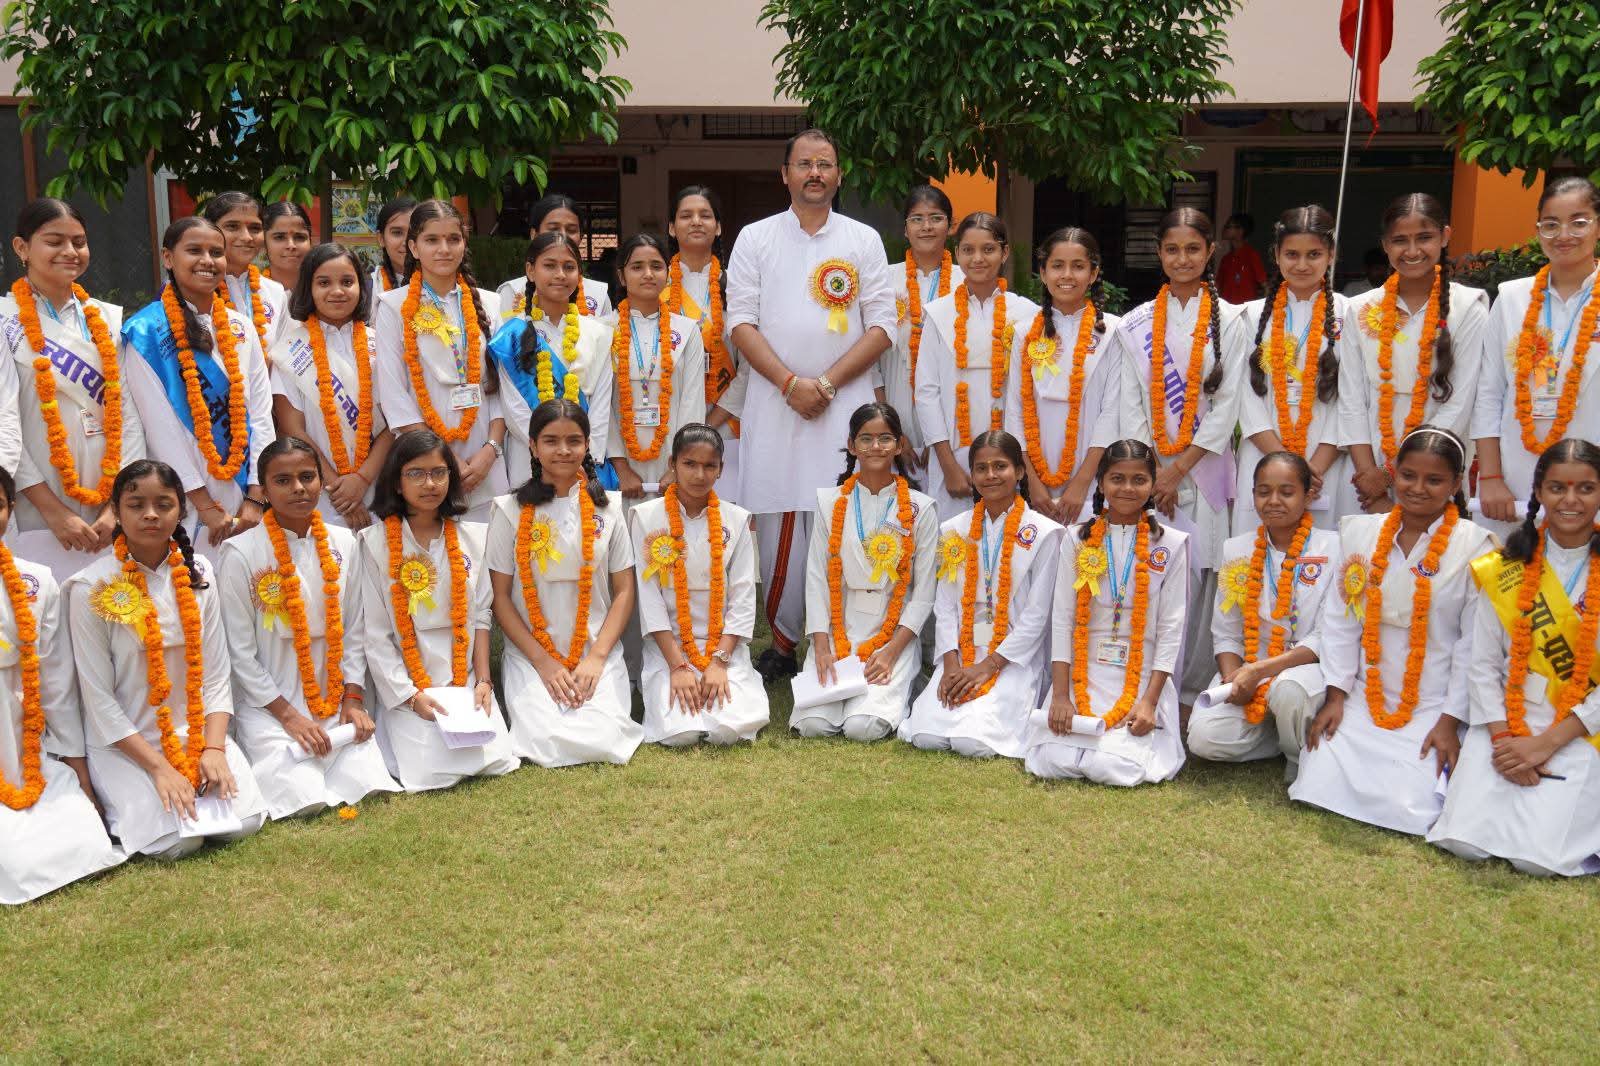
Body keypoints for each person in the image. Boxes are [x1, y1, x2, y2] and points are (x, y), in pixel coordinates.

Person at [725, 128, 897, 679]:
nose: (815, 173)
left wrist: (823, 385)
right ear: (785, 174)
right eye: (804, 164)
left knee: (843, 518)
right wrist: (787, 384)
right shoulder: (755, 237)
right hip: (775, 405)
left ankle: (844, 640)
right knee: (779, 524)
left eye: (825, 163)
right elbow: (740, 322)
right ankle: (781, 644)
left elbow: (882, 325)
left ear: (839, 175)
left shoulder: (863, 239)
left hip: (843, 406)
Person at [1290, 426, 1495, 835]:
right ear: (1394, 474)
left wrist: (1449, 722)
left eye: (1434, 480)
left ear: (1455, 484)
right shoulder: (1361, 533)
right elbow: (1341, 621)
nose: (1417, 488)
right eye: (1408, 476)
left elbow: (1474, 646)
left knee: (1411, 806)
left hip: (1432, 703)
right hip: (1363, 695)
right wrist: (1336, 695)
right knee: (1317, 783)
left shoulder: (1477, 548)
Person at [67, 460, 268, 859]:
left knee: (244, 823)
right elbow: (98, 699)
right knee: (177, 843)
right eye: (136, 505)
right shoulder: (91, 586)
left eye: (163, 504)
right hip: (127, 744)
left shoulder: (199, 571)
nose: (150, 515)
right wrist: (159, 769)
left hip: (196, 734)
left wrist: (214, 749)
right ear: (116, 511)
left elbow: (216, 673)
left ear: (181, 510)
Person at [1429, 439, 1600, 876]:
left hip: (1580, 728)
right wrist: (1505, 741)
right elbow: (1482, 664)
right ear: (1539, 492)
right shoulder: (1506, 565)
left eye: (1585, 488)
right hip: (1505, 720)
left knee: (1537, 861)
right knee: (1464, 842)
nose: (1571, 500)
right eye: (1558, 488)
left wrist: (1545, 744)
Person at [216, 438, 397, 819]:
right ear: (264, 491)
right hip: (271, 707)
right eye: (283, 481)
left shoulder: (344, 542)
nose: (298, 488)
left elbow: (355, 630)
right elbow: (239, 653)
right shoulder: (240, 553)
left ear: (320, 481)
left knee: (368, 785)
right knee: (303, 800)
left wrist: (353, 700)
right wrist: (289, 717)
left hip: (336, 701)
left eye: (307, 477)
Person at [1115, 206, 1245, 705]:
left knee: (1206, 576)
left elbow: (1227, 405)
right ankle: (1144, 682)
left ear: (1210, 251)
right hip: (1150, 474)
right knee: (1156, 573)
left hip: (1205, 469)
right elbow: (1132, 403)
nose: (1183, 258)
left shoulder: (1231, 320)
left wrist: (1179, 470)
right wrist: (1153, 474)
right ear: (1159, 254)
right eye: (1172, 249)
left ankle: (1189, 691)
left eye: (1193, 249)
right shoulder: (1136, 323)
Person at [355, 430, 519, 791]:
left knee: (493, 759)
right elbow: (376, 634)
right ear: (396, 482)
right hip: (407, 686)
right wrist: (411, 696)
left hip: (465, 679)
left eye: (439, 473)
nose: (429, 484)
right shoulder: (374, 544)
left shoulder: (474, 537)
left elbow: (481, 617)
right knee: (430, 772)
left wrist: (483, 681)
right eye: (416, 473)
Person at [1022, 439, 1189, 785]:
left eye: (1139, 480)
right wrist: (1061, 696)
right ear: (1100, 484)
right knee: (1052, 761)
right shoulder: (1076, 539)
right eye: (1117, 478)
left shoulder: (1170, 544)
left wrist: (1149, 702)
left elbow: (1171, 629)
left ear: (1152, 485)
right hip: (1085, 668)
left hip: (1141, 672)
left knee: (1113, 767)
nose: (1127, 488)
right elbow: (1063, 619)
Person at [488, 399, 640, 766]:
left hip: (595, 650)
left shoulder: (610, 509)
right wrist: (542, 662)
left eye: (574, 441)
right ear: (532, 446)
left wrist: (597, 658)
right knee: (542, 739)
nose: (563, 450)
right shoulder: (508, 511)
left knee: (605, 738)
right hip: (532, 654)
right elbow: (500, 598)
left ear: (587, 446)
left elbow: (624, 592)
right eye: (551, 441)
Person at [0, 465, 124, 904]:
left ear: (11, 510)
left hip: (25, 745)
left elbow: (56, 683)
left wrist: (79, 775)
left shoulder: (35, 580)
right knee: (16, 865)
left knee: (86, 843)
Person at [898, 430, 1064, 758]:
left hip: (1011, 657)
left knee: (973, 743)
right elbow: (945, 605)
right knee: (927, 735)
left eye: (1000, 466)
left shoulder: (1044, 533)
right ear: (972, 475)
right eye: (981, 468)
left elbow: (1038, 615)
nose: (991, 475)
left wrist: (989, 665)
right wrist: (950, 663)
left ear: (1020, 471)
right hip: (962, 651)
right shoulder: (954, 529)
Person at [3, 197, 145, 580]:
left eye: (79, 242)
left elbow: (129, 414)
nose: (70, 251)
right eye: (55, 241)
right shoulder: (4, 321)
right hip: (34, 501)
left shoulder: (106, 319)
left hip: (108, 499)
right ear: (22, 248)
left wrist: (118, 504)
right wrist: (52, 511)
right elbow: (4, 427)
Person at [122, 217, 276, 555]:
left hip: (248, 502)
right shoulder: (146, 332)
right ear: (168, 257)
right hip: (184, 501)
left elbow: (261, 416)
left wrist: (255, 495)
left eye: (216, 252)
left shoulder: (241, 327)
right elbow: (159, 428)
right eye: (194, 250)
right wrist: (204, 503)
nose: (207, 260)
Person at [1188, 452, 1340, 781]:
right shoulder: (1236, 549)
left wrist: (1259, 671)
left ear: (1308, 496)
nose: (1273, 501)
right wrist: (1233, 680)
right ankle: (1282, 733)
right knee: (1202, 738)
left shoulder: (1333, 548)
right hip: (1250, 671)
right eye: (1263, 491)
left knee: (1288, 692)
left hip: (1304, 671)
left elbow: (1324, 637)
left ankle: (1295, 754)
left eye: (1287, 492)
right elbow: (1226, 632)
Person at [796, 403, 938, 740]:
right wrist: (822, 645)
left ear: (899, 445)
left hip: (892, 632)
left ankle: (907, 678)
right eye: (866, 439)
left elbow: (924, 592)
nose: (876, 446)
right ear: (852, 445)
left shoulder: (921, 508)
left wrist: (891, 652)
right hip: (839, 628)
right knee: (813, 725)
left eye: (885, 438)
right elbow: (816, 577)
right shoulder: (829, 502)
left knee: (863, 727)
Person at [1341, 194, 1487, 515]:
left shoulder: (1469, 308)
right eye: (1400, 241)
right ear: (1385, 245)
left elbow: (1460, 403)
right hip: (1369, 462)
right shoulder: (1360, 308)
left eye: (1424, 238)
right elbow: (1351, 399)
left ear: (1445, 237)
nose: (1411, 251)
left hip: (1438, 461)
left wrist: (1390, 473)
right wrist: (1369, 479)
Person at [1475, 176, 1600, 540]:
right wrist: (1491, 476)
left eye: (1579, 222)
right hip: (1515, 479)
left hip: (1592, 480)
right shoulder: (1511, 298)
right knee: (1515, 568)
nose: (1564, 235)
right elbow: (1489, 392)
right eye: (1551, 224)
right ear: (1538, 230)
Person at [630, 424, 768, 746]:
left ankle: (733, 680)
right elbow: (649, 600)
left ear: (721, 469)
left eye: (709, 466)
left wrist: (719, 662)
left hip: (723, 646)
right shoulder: (646, 517)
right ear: (672, 464)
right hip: (669, 647)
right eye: (689, 464)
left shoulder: (736, 519)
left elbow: (743, 596)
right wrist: (678, 666)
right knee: (681, 733)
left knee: (729, 730)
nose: (699, 475)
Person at [372, 198, 507, 521]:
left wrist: (491, 450)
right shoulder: (393, 307)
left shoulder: (490, 303)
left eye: (453, 239)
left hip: (485, 460)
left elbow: (503, 387)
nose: (444, 249)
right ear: (414, 248)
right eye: (432, 240)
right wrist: (442, 458)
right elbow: (393, 395)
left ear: (464, 243)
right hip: (425, 463)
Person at [915, 212, 1041, 519]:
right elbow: (926, 392)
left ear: (1004, 252)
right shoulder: (938, 314)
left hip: (1010, 453)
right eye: (968, 250)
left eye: (988, 249)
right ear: (957, 254)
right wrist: (948, 465)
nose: (978, 258)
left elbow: (1032, 393)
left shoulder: (1028, 314)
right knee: (953, 539)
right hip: (954, 453)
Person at [1235, 205, 1351, 533]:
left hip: (1326, 458)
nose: (1302, 265)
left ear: (1331, 254)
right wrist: (1283, 464)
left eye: (1313, 254)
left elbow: (1353, 396)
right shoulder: (1248, 316)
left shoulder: (1351, 314)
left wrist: (1316, 466)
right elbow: (1244, 395)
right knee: (1256, 550)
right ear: (1276, 255)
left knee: (1323, 551)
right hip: (1263, 452)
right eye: (1292, 254)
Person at [1003, 226, 1121, 527]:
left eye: (1078, 266)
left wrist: (1083, 482)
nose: (1067, 275)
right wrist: (1031, 480)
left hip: (1093, 474)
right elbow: (1015, 409)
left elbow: (1112, 412)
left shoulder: (1112, 332)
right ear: (1043, 273)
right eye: (1057, 266)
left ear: (1093, 273)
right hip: (1036, 477)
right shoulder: (1025, 333)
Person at [270, 242, 393, 529]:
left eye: (347, 282)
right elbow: (292, 428)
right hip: (318, 489)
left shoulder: (381, 343)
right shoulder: (291, 349)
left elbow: (394, 421)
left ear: (361, 287)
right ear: (308, 288)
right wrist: (339, 488)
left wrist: (361, 480)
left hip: (378, 483)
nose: (337, 291)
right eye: (324, 283)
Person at [488, 231, 614, 488]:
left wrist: (583, 455)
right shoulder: (512, 335)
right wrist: (547, 449)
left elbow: (601, 406)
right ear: (530, 271)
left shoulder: (598, 333)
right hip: (530, 457)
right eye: (549, 266)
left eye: (569, 267)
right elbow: (513, 408)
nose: (560, 274)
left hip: (584, 462)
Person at [606, 233, 706, 500]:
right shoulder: (604, 330)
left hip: (673, 461)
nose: (648, 274)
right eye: (637, 267)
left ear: (668, 273)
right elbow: (601, 407)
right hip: (619, 464)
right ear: (622, 276)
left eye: (656, 266)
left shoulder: (687, 331)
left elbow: (693, 402)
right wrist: (621, 468)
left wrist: (681, 465)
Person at [885, 185, 962, 461]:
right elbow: (871, 365)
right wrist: (889, 429)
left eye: (936, 218)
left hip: (953, 410)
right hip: (895, 401)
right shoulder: (884, 280)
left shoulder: (966, 282)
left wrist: (940, 440)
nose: (926, 227)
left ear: (950, 226)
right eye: (917, 219)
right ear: (905, 229)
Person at [664, 185, 739, 426]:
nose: (696, 222)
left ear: (718, 227)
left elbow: (749, 369)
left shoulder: (737, 286)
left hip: (726, 426)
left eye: (705, 215)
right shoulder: (655, 287)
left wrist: (709, 425)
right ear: (672, 228)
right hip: (668, 421)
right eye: (686, 216)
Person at [496, 193, 612, 319]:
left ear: (581, 237)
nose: (562, 236)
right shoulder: (511, 291)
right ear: (534, 235)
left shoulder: (598, 294)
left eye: (571, 230)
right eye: (553, 229)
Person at [200, 191, 288, 355]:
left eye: (255, 228)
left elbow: (282, 356)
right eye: (232, 226)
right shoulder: (192, 291)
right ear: (209, 231)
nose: (247, 237)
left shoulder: (275, 292)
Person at [261, 201, 313, 293]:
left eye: (300, 237)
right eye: (280, 237)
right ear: (264, 244)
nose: (291, 245)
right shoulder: (249, 291)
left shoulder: (326, 290)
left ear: (310, 242)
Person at [371, 197, 417, 295]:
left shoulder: (442, 285)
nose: (406, 242)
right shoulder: (367, 289)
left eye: (413, 233)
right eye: (397, 232)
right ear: (381, 239)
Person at [1218, 213, 1267, 304]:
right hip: (1226, 310)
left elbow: (1265, 286)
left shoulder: (1251, 255)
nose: (1224, 229)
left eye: (1228, 226)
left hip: (1246, 310)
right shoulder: (1225, 259)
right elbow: (1217, 288)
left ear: (1240, 231)